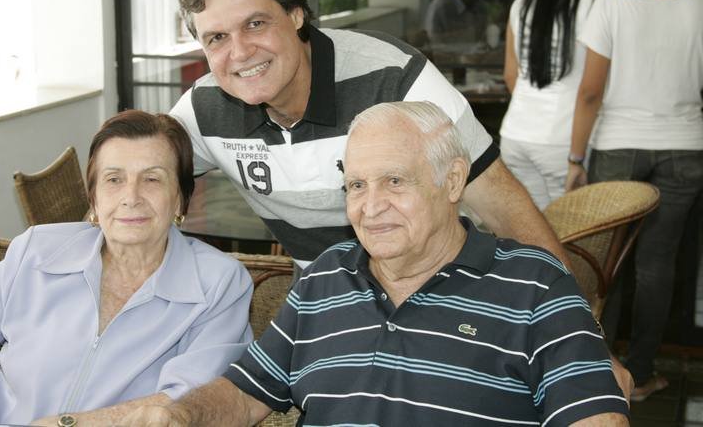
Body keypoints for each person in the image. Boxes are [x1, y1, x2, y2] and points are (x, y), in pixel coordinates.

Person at [121, 101, 629, 426]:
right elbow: (245, 392)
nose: (370, 205)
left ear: (453, 182)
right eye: (357, 186)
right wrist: (181, 415)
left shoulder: (533, 284)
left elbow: (595, 419)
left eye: (395, 181)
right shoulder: (325, 277)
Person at [170, 0, 567, 273]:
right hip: (329, 310)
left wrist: (580, 336)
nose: (240, 53)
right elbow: (128, 180)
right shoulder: (206, 108)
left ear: (295, 15)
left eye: (255, 24)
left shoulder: (396, 80)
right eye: (217, 38)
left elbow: (505, 211)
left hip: (443, 296)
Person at [0, 111, 253, 425]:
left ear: (180, 199)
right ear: (94, 200)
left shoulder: (218, 284)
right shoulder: (36, 253)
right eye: (114, 179)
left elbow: (188, 407)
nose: (131, 196)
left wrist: (65, 424)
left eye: (152, 179)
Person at [567, 0, 703, 402]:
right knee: (657, 264)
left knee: (609, 264)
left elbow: (589, 93)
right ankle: (641, 374)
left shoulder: (611, 5)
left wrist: (575, 160)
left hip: (618, 145)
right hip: (685, 145)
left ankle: (602, 372)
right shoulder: (700, 3)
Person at [500, 0, 606, 209]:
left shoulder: (523, 1)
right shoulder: (598, 5)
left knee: (530, 235)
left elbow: (511, 76)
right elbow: (591, 93)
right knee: (572, 237)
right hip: (562, 142)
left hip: (516, 135)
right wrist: (577, 157)